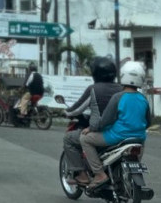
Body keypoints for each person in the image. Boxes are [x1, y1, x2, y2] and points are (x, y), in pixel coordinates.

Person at [80, 61, 151, 189]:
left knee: (84, 139)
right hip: (139, 139)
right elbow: (148, 122)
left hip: (117, 137)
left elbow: (105, 121)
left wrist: (91, 128)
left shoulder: (118, 97)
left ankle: (99, 174)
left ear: (123, 75)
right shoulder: (143, 99)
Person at [63, 57, 123, 186]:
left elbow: (77, 109)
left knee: (69, 139)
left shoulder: (94, 89)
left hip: (100, 133)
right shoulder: (122, 89)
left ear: (95, 74)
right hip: (120, 132)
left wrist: (66, 112)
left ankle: (83, 175)